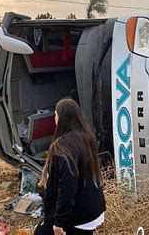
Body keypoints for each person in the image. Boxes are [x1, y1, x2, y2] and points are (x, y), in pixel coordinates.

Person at [35, 98, 106, 235]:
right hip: (94, 208)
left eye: (56, 114)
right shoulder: (86, 137)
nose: (54, 118)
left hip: (78, 215)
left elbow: (67, 187)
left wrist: (58, 221)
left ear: (62, 118)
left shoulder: (62, 147)